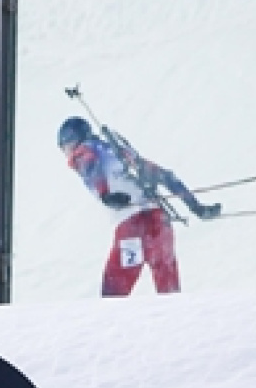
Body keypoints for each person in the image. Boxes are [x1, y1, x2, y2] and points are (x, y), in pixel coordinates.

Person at [58, 116, 220, 297]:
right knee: (170, 293)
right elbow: (165, 175)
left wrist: (105, 195)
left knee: (113, 295)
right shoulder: (121, 151)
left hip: (132, 229)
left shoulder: (84, 151)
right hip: (161, 225)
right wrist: (196, 207)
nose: (67, 153)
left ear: (73, 140)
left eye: (65, 147)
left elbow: (89, 166)